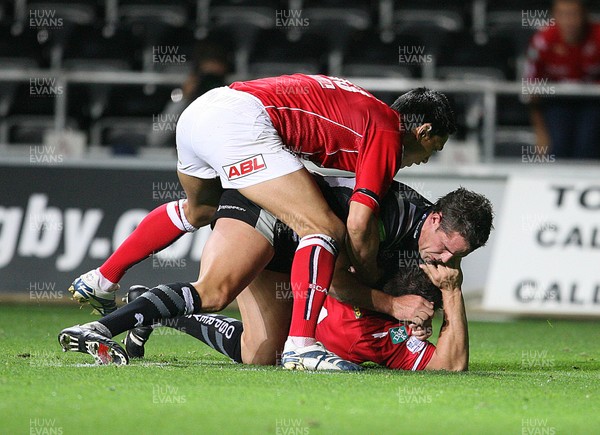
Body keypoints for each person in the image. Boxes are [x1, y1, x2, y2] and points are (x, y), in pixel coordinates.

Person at [67, 75, 456, 370]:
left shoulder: (366, 109)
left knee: (199, 211)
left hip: (203, 113)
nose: (423, 160)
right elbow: (357, 224)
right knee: (323, 229)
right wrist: (369, 272)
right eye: (431, 149)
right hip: (243, 123)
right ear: (422, 131)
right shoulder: (387, 131)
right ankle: (302, 348)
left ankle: (102, 279)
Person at [59, 176, 492, 371]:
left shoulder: (432, 259)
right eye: (444, 250)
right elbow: (339, 277)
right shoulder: (385, 218)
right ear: (434, 219)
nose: (443, 261)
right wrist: (393, 305)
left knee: (259, 353)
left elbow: (446, 357)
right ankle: (99, 325)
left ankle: (152, 307)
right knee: (214, 290)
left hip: (295, 251)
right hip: (269, 212)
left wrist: (440, 298)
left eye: (457, 258)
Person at [122, 262, 466, 371]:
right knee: (257, 348)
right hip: (272, 268)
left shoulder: (393, 339)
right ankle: (154, 308)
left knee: (262, 353)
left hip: (288, 327)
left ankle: (155, 312)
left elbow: (451, 367)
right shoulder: (355, 275)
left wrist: (449, 293)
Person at [525, 0, 600, 159]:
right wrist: (540, 131)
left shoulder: (598, 37)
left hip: (594, 102)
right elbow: (531, 87)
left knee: (587, 144)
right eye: (563, 14)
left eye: (574, 14)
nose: (569, 21)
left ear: (584, 15)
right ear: (555, 16)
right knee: (557, 145)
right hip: (557, 101)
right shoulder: (543, 41)